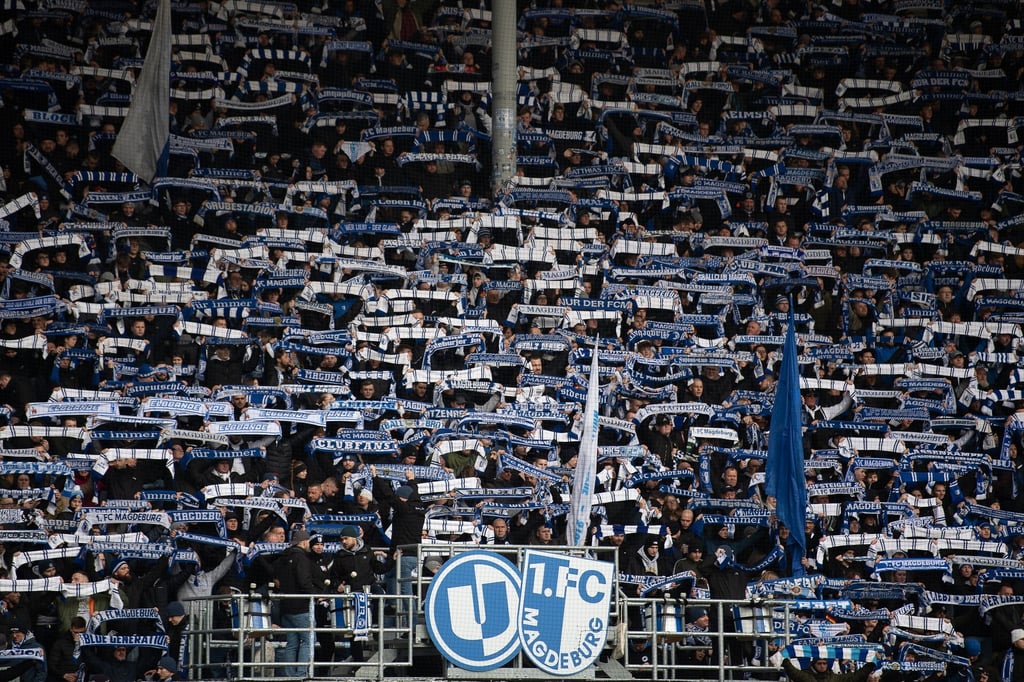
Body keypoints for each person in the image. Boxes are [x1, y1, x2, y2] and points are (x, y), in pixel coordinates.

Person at [273, 530, 315, 677]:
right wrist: (315, 594)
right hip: (301, 607)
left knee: (292, 643)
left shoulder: (282, 557)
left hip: (285, 606)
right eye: (308, 542)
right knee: (309, 640)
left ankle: (290, 675)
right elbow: (304, 581)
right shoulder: (301, 558)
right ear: (303, 542)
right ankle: (301, 674)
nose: (309, 544)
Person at [781, 656, 877, 682]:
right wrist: (784, 659)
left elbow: (855, 677)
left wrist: (871, 664)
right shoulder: (806, 676)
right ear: (814, 664)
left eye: (824, 663)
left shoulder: (834, 678)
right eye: (819, 663)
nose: (822, 666)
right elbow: (792, 671)